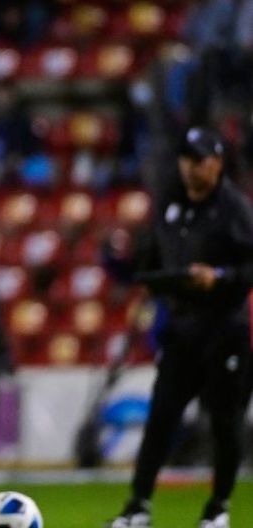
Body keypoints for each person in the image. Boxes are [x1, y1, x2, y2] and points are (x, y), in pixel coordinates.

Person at [107, 127, 253, 528]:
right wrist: (122, 262)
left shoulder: (236, 210)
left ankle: (219, 507)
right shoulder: (170, 206)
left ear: (217, 164)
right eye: (186, 158)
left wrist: (219, 277)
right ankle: (138, 506)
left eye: (199, 159)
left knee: (224, 421)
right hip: (183, 327)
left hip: (225, 327)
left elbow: (249, 268)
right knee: (161, 418)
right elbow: (150, 263)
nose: (190, 167)